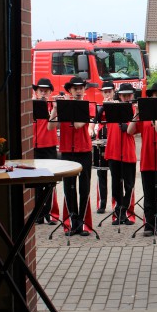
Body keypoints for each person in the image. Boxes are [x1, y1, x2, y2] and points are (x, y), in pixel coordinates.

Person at [48, 76, 95, 236]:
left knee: (84, 188)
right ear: (70, 90)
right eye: (75, 88)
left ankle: (82, 224)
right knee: (69, 188)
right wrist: (55, 108)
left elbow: (78, 125)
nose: (79, 91)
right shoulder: (63, 107)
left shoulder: (87, 106)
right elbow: (50, 126)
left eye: (81, 88)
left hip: (84, 151)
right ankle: (72, 223)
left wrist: (67, 107)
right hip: (67, 150)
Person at [128, 82, 157, 236]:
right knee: (148, 195)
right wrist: (137, 113)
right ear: (150, 97)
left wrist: (154, 118)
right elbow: (129, 131)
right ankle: (149, 225)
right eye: (156, 96)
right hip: (146, 161)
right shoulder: (144, 116)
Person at [104, 82, 138, 225]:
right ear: (119, 96)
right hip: (113, 151)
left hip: (128, 151)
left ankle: (124, 210)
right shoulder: (112, 108)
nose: (126, 98)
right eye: (124, 95)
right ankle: (119, 210)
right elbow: (98, 118)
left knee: (129, 185)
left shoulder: (135, 110)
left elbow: (135, 130)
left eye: (129, 95)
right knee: (116, 185)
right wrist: (106, 104)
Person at [32, 78, 59, 225]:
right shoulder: (31, 106)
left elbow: (51, 126)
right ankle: (38, 214)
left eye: (46, 91)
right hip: (35, 148)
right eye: (41, 90)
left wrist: (55, 108)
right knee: (36, 184)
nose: (43, 93)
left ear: (50, 93)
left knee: (49, 182)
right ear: (36, 92)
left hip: (49, 147)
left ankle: (49, 213)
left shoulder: (51, 106)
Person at [93, 81, 115, 214]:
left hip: (113, 141)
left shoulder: (117, 105)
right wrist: (104, 106)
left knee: (115, 175)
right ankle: (102, 203)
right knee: (101, 174)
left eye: (109, 91)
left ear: (113, 92)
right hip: (101, 140)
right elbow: (95, 119)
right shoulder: (98, 106)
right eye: (105, 92)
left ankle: (115, 204)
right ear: (102, 93)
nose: (107, 94)